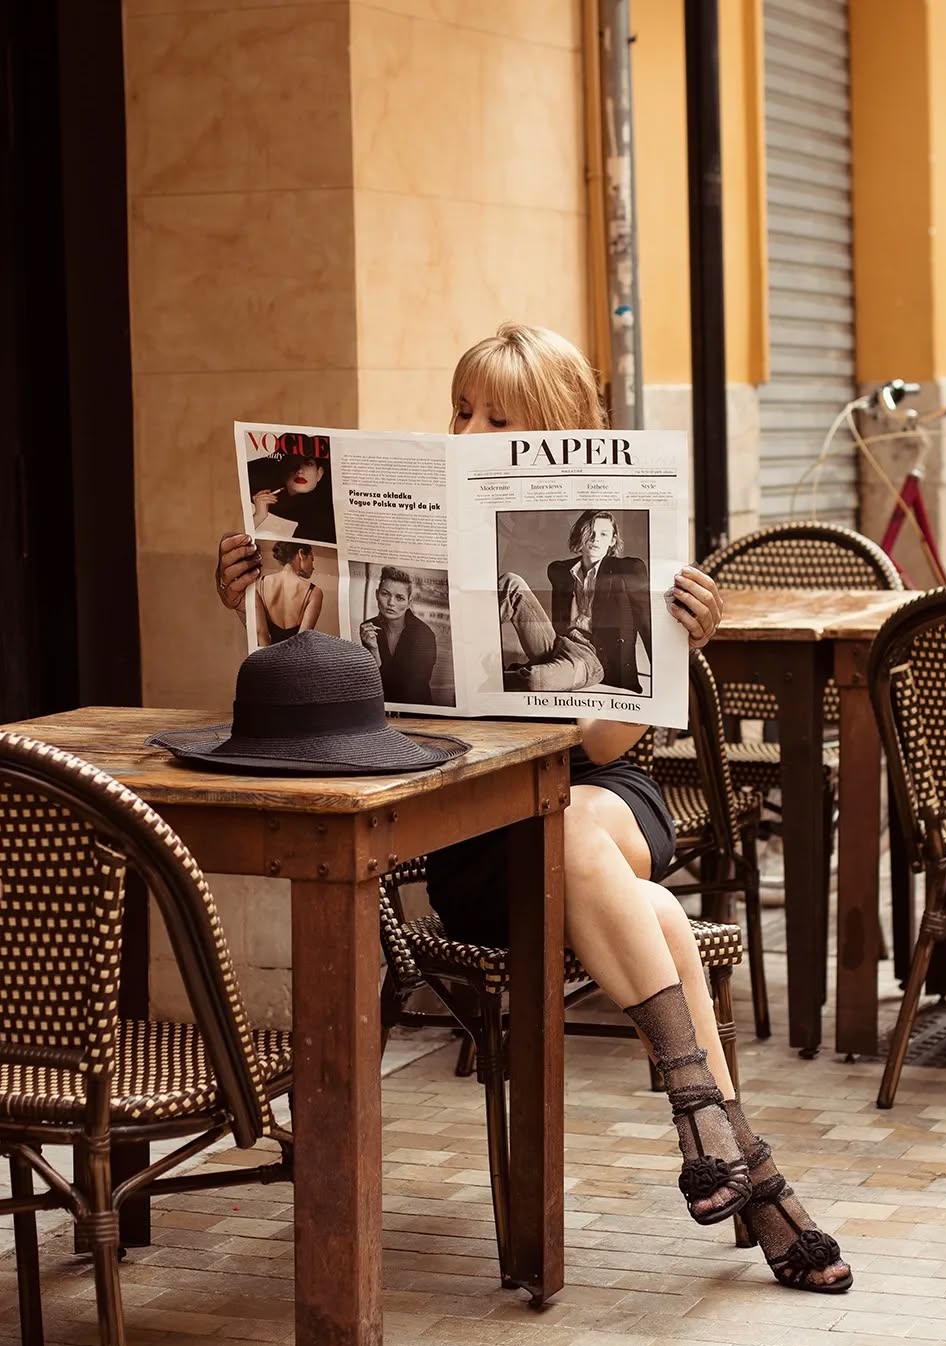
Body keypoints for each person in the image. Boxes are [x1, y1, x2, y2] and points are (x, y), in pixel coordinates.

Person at [214, 322, 852, 1293]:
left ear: (553, 432)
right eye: (461, 410)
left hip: (603, 795)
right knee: (639, 897)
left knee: (583, 823)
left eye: (496, 416)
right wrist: (263, 611)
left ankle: (712, 1133)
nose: (469, 427)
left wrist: (676, 642)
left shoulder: (597, 555)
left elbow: (600, 749)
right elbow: (335, 710)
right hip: (482, 829)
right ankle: (736, 1154)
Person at [500, 510, 650, 693]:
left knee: (532, 679)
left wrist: (662, 674)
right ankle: (472, 640)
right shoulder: (561, 570)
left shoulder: (625, 570)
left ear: (612, 540)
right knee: (511, 582)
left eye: (603, 534)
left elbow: (645, 620)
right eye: (591, 532)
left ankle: (498, 678)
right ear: (581, 533)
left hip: (590, 658)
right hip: (557, 643)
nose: (595, 539)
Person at [358, 565, 438, 704]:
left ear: (409, 603)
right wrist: (373, 649)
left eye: (399, 598)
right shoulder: (368, 629)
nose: (390, 603)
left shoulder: (424, 634)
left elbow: (411, 687)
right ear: (377, 594)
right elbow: (368, 681)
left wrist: (375, 655)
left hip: (415, 710)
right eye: (385, 594)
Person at [248, 453, 336, 544]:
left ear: (319, 473)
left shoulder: (325, 514)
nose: (300, 471)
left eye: (308, 464)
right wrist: (258, 516)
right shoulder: (258, 495)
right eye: (293, 464)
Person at [254, 542, 323, 646]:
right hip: (294, 659)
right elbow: (302, 642)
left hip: (267, 657)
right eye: (311, 559)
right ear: (301, 554)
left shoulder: (259, 584)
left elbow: (261, 635)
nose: (313, 567)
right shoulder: (314, 592)